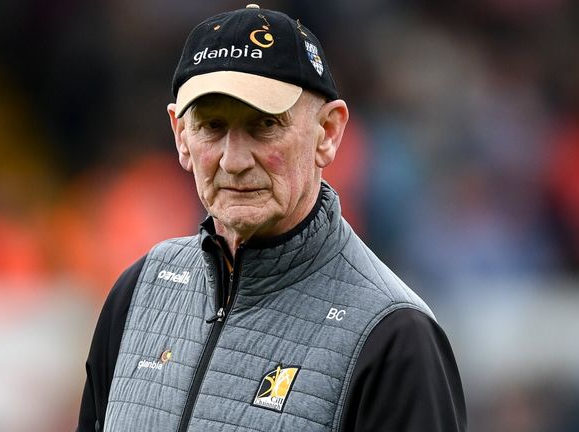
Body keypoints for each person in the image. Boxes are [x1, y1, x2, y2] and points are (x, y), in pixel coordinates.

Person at [77, 4, 466, 431]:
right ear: (180, 136)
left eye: (264, 124)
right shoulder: (137, 294)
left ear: (328, 132)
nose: (234, 159)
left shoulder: (394, 336)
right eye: (212, 126)